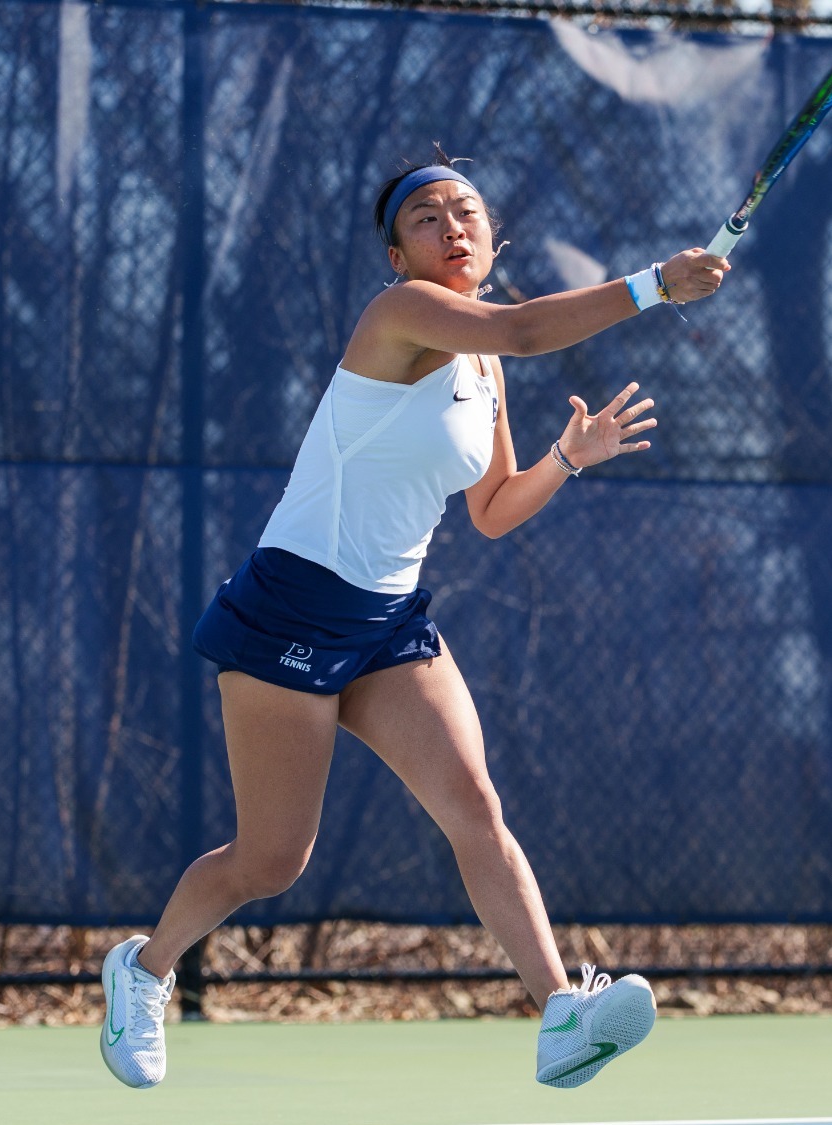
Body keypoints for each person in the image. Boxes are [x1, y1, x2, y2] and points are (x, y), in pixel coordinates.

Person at [97, 150, 728, 1090]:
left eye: (465, 211)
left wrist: (570, 454)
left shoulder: (484, 369)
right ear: (397, 255)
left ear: (491, 234)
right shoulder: (401, 316)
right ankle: (142, 971)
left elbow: (494, 507)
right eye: (426, 217)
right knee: (272, 859)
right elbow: (520, 325)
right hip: (290, 607)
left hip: (388, 622)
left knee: (475, 806)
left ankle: (562, 1013)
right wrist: (654, 288)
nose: (452, 226)